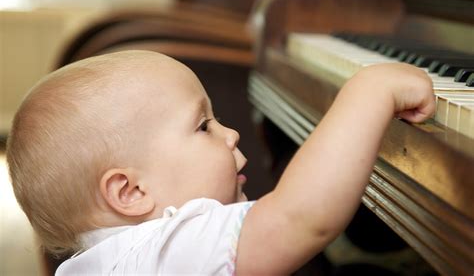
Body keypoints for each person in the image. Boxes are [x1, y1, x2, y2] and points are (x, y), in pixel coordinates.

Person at [6, 50, 435, 275]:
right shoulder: (166, 249)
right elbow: (302, 218)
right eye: (203, 126)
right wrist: (372, 90)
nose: (230, 134)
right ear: (131, 192)